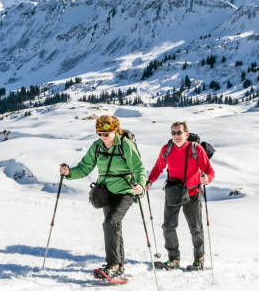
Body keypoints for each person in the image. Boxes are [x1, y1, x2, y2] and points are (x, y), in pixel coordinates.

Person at [59, 115, 146, 280]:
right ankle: (119, 265)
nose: (102, 137)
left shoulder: (125, 145)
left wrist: (140, 186)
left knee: (110, 222)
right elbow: (85, 167)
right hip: (105, 192)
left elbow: (139, 168)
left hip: (126, 190)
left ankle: (112, 264)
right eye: (99, 133)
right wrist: (69, 173)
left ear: (115, 130)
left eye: (105, 134)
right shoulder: (97, 146)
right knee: (113, 226)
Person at [146, 121, 214, 271]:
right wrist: (150, 181)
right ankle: (174, 259)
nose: (176, 136)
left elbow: (209, 170)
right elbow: (158, 167)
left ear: (186, 135)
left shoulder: (196, 149)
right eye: (173, 133)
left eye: (179, 132)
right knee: (168, 227)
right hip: (173, 192)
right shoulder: (167, 149)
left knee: (195, 228)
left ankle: (199, 259)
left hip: (193, 193)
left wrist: (207, 178)